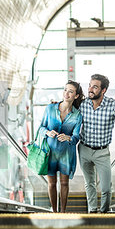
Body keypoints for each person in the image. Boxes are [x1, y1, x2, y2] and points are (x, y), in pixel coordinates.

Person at [79, 74, 115, 213]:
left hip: (102, 152)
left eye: (95, 87)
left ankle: (104, 212)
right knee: (89, 184)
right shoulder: (83, 104)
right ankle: (92, 211)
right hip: (84, 150)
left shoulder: (112, 105)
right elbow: (67, 109)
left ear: (103, 90)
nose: (90, 89)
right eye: (90, 85)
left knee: (106, 188)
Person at [38, 80, 84, 212]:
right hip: (50, 152)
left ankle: (63, 212)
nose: (66, 93)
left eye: (70, 91)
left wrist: (68, 137)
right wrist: (47, 132)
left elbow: (76, 137)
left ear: (76, 96)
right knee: (52, 184)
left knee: (64, 183)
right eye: (65, 90)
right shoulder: (50, 108)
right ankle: (54, 212)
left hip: (66, 153)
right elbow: (41, 128)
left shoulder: (77, 115)